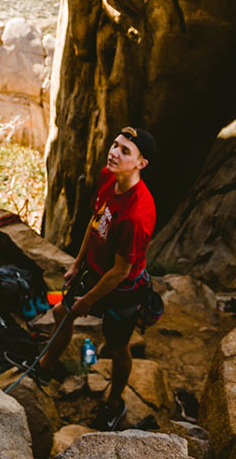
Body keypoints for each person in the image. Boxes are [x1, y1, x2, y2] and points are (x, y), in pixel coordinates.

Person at [33, 126, 157, 431]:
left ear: (141, 164)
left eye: (125, 151)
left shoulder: (137, 213)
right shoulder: (107, 178)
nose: (114, 152)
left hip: (123, 288)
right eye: (115, 145)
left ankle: (114, 402)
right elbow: (96, 220)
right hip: (93, 271)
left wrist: (87, 302)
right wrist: (77, 264)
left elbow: (121, 271)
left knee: (117, 346)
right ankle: (46, 366)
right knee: (62, 312)